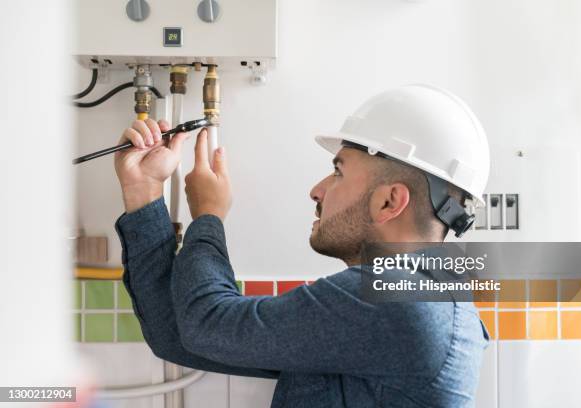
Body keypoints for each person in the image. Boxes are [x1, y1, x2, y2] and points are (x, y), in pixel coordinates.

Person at [114, 84, 490, 407]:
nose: (317, 190)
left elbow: (206, 326)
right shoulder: (410, 303)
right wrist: (143, 190)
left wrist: (208, 216)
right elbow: (183, 338)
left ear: (390, 201)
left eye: (339, 170)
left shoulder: (398, 301)